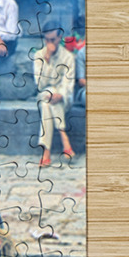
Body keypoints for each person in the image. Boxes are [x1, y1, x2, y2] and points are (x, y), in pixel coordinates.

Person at [34, 22, 77, 167]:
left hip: (63, 98)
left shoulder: (68, 57)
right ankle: (65, 140)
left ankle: (46, 153)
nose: (49, 43)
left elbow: (68, 85)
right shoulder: (39, 55)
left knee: (50, 100)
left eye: (52, 39)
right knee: (48, 96)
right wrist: (46, 60)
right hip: (45, 94)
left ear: (60, 37)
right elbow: (40, 85)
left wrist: (61, 95)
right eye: (46, 40)